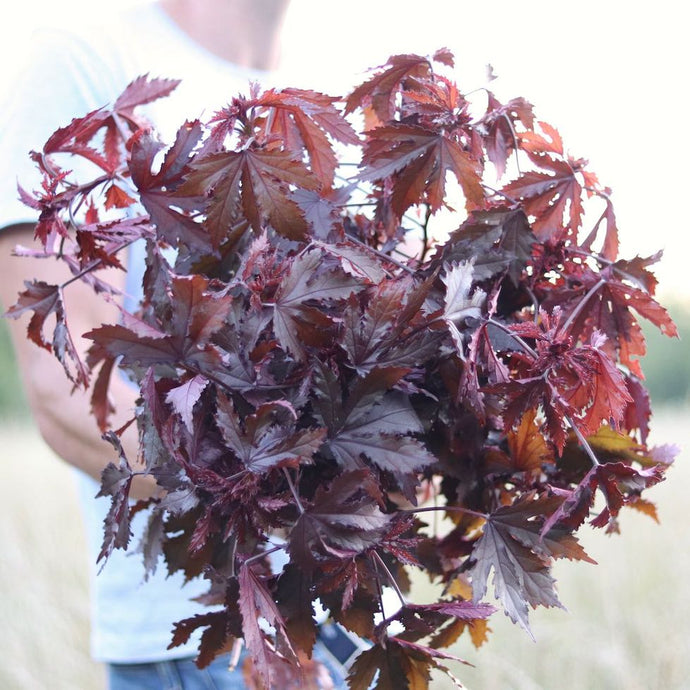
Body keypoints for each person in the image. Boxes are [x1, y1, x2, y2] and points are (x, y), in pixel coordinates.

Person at [0, 1, 361, 687]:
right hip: (218, 651)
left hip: (363, 628)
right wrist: (262, 562)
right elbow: (66, 387)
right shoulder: (84, 59)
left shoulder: (338, 82)